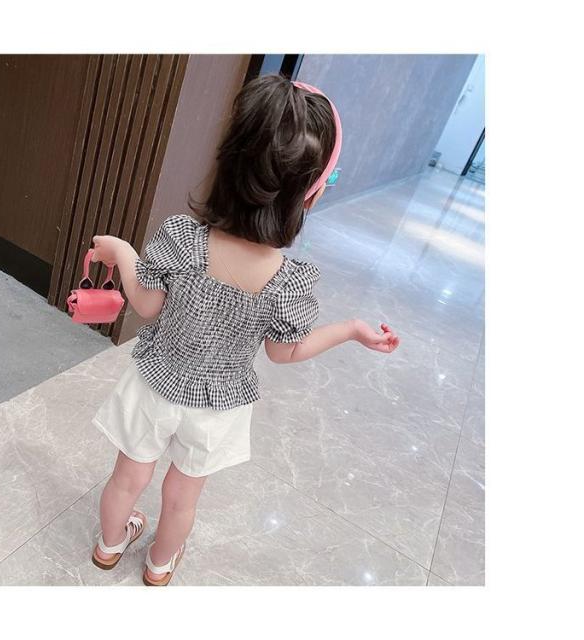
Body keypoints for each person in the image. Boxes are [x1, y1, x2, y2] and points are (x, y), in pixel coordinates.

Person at [88, 73, 400, 586]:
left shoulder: (181, 238)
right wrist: (349, 329)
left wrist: (122, 251)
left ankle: (109, 545)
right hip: (219, 407)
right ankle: (159, 566)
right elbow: (283, 353)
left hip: (153, 384)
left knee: (127, 478)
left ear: (227, 163)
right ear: (310, 195)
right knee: (182, 497)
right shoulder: (289, 281)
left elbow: (145, 305)